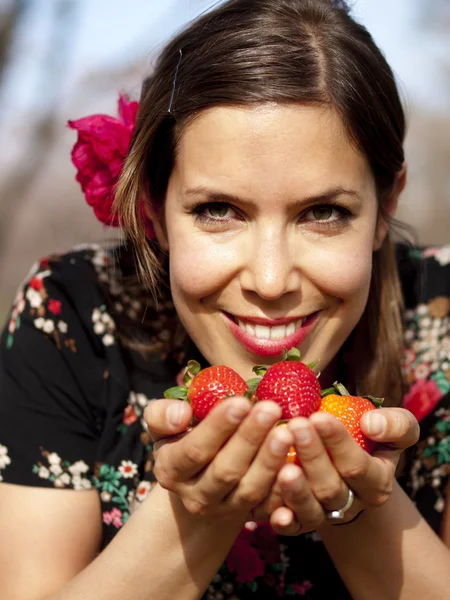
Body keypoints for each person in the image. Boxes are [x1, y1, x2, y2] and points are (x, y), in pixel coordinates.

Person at [0, 0, 449, 598]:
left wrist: (364, 507)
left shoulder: (442, 319)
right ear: (155, 210)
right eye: (218, 211)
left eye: (323, 213)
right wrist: (197, 509)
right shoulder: (75, 314)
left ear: (384, 207)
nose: (269, 280)